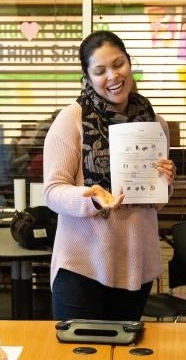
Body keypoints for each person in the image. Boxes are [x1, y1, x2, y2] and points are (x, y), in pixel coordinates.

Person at [44, 31, 177, 320]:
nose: (113, 76)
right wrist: (91, 197)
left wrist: (164, 183)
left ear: (129, 63)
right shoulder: (73, 119)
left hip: (135, 264)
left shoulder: (155, 123)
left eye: (118, 64)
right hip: (82, 265)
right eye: (100, 71)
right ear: (88, 77)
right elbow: (53, 191)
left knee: (125, 358)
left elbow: (154, 203)